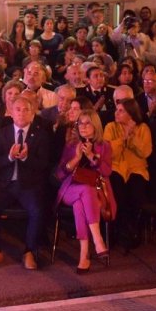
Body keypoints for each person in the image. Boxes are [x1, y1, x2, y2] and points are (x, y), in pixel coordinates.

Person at [0, 95, 50, 270]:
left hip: (29, 185)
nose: (21, 113)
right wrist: (9, 157)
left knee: (37, 210)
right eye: (18, 109)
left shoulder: (41, 135)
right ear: (11, 113)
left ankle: (29, 251)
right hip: (5, 183)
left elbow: (44, 164)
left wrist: (26, 158)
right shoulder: (3, 133)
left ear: (32, 114)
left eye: (26, 110)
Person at [55, 109, 114, 273]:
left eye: (88, 123)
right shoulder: (71, 145)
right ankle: (98, 239)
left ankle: (84, 254)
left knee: (80, 204)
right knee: (85, 192)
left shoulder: (104, 146)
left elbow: (107, 172)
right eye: (80, 123)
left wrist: (91, 156)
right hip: (70, 189)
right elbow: (59, 173)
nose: (83, 126)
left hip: (96, 192)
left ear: (95, 126)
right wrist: (76, 158)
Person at [104, 98, 152, 248]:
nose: (116, 113)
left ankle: (131, 230)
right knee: (118, 193)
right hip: (116, 167)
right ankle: (124, 231)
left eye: (121, 111)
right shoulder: (110, 127)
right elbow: (107, 153)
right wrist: (123, 138)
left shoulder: (143, 128)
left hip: (136, 169)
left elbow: (145, 152)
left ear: (131, 113)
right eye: (116, 110)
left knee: (137, 193)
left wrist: (133, 136)